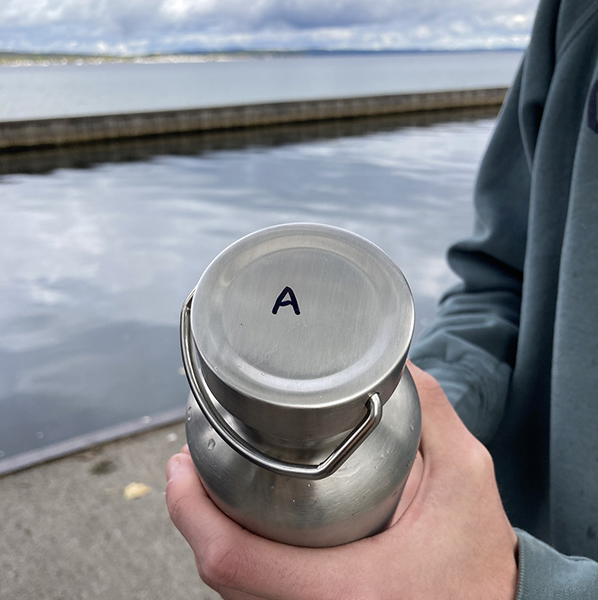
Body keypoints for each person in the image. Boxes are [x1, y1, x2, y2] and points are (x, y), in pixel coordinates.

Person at [166, 0, 598, 596]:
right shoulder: (575, 16)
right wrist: (423, 416)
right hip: (513, 516)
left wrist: (512, 584)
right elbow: (502, 275)